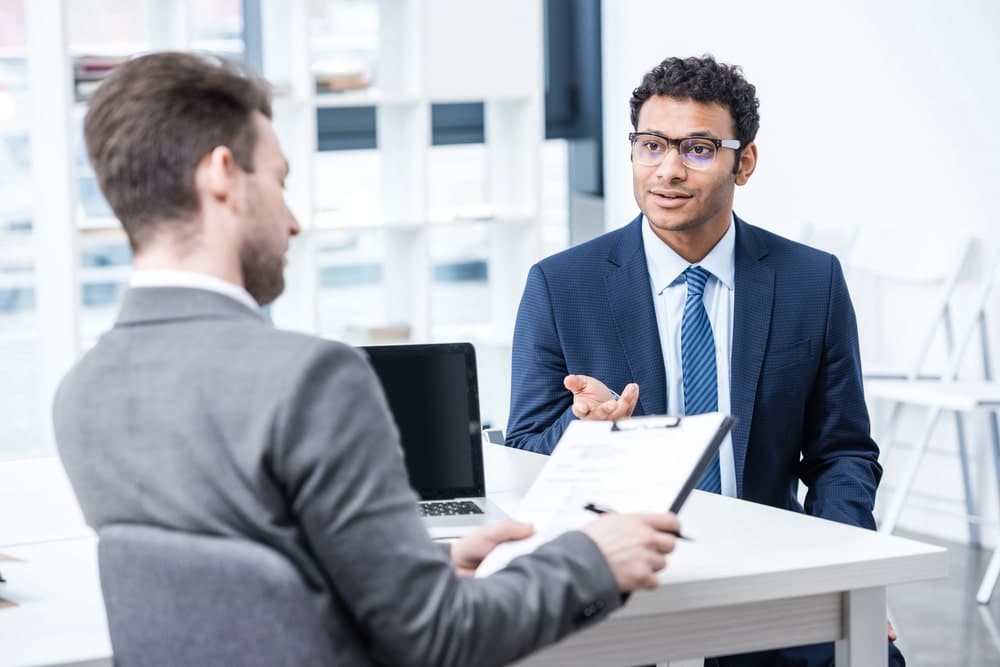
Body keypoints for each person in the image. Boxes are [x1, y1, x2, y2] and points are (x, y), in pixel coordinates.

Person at [52, 52, 684, 667]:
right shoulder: (309, 380)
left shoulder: (83, 392)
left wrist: (426, 575)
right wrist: (591, 558)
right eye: (279, 181)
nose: (293, 221)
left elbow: (248, 605)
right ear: (221, 175)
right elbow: (440, 640)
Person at [505, 55, 904, 666]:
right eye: (652, 145)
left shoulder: (810, 281)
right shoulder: (562, 285)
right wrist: (584, 432)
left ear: (743, 161)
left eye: (697, 148)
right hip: (618, 580)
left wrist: (848, 572)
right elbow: (523, 454)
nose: (668, 170)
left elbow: (842, 453)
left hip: (769, 570)